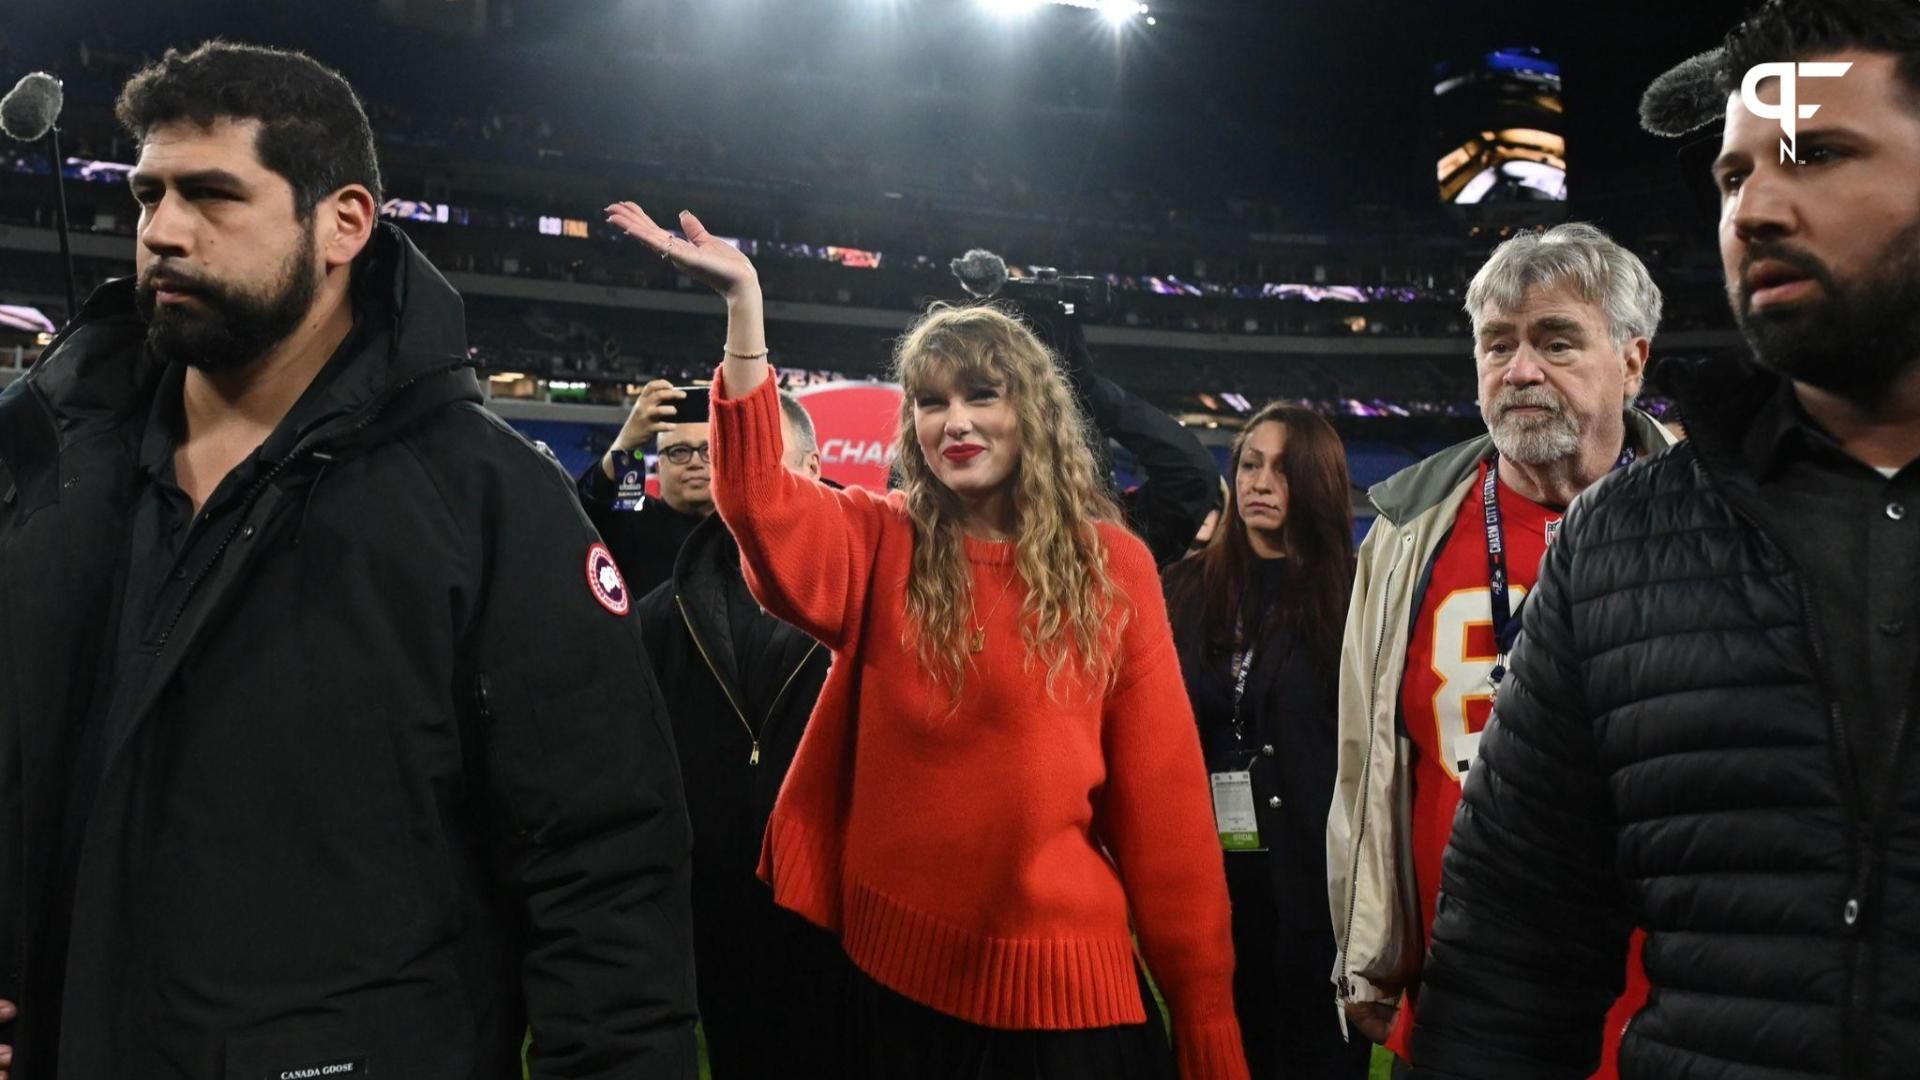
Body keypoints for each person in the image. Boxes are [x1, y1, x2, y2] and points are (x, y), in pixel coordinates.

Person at [0, 43, 697, 1078]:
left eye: (213, 196)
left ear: (345, 223)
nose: (160, 232)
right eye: (149, 194)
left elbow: (601, 873)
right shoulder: (47, 462)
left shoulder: (488, 502)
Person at [605, 199, 1251, 1080]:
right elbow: (757, 499)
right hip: (896, 1000)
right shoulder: (881, 538)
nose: (956, 422)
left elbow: (1166, 816)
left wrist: (1207, 1018)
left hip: (1068, 1012)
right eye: (932, 402)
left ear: (1033, 413)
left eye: (984, 395)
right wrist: (744, 307)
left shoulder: (1114, 567)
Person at [1409, 3, 1920, 1076]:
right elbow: (1509, 966)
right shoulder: (1620, 547)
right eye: (1733, 178)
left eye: (1816, 156)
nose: (1756, 211)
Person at [1325, 223, 1676, 1076]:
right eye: (1498, 344)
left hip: (1666, 1015)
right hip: (1463, 1010)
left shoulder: (1717, 524)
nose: (1520, 370)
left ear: (1632, 362)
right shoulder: (1406, 536)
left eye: (1556, 341)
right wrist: (1368, 950)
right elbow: (1367, 761)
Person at [632, 390, 848, 1079]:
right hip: (722, 927)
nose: (744, 478)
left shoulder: (891, 590)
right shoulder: (657, 620)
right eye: (732, 459)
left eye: (765, 459)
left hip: (861, 927)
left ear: (814, 469)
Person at [1164, 403, 1370, 1080]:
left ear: (1318, 483)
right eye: (1249, 464)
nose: (1259, 481)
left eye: (1282, 470)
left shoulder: (1357, 593)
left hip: (1321, 891)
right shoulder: (1187, 590)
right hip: (1213, 884)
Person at [576, 377, 711, 598]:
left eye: (710, 451)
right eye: (678, 451)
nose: (695, 462)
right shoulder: (636, 517)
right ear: (658, 467)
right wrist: (627, 444)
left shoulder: (744, 533)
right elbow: (593, 504)